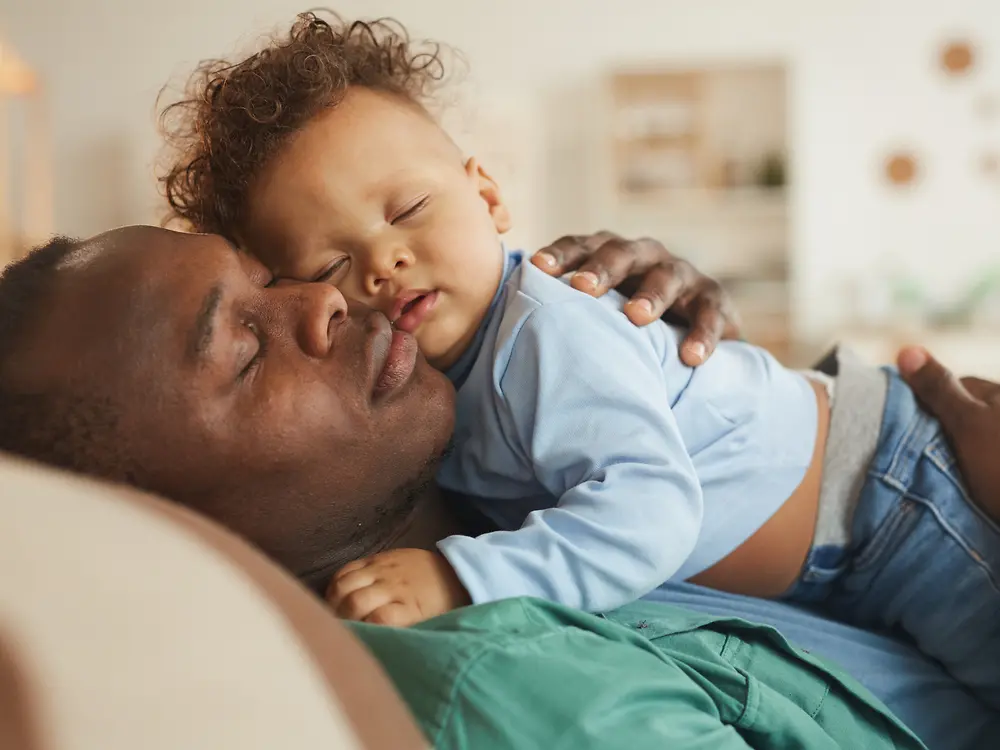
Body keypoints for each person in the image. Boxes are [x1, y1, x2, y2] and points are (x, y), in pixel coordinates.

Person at [157, 12, 999, 710]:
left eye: (407, 209)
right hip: (826, 552)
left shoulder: (546, 335)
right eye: (334, 264)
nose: (384, 262)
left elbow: (650, 508)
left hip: (886, 492)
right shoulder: (435, 388)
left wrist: (460, 576)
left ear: (489, 195)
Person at [0, 225, 996, 747]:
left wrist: (651, 352)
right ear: (171, 531)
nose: (323, 300)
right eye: (243, 351)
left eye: (271, 275)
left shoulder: (519, 492)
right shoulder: (514, 696)